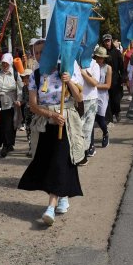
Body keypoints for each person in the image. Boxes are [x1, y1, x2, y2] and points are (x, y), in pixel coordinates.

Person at [18, 58, 84, 227]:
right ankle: (62, 196)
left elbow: (79, 98)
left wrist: (68, 81)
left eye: (44, 52)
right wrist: (52, 115)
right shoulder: (37, 75)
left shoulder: (66, 70)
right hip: (46, 124)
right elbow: (33, 105)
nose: (41, 55)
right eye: (37, 53)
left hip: (66, 123)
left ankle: (50, 206)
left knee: (60, 162)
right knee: (51, 163)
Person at [0, 53, 22, 158]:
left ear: (10, 63)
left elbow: (20, 89)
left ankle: (6, 146)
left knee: (9, 125)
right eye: (3, 63)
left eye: (6, 63)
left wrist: (19, 100)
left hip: (10, 103)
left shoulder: (16, 74)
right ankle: (7, 143)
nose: (4, 65)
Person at [79, 46, 103, 158]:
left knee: (87, 128)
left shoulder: (94, 64)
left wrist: (82, 72)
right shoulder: (74, 62)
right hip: (78, 100)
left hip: (91, 99)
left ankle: (84, 152)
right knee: (78, 127)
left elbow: (94, 83)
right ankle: (77, 152)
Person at [92, 46, 112, 148]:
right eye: (98, 57)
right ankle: (90, 143)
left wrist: (94, 85)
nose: (99, 59)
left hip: (102, 96)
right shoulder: (91, 65)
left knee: (100, 118)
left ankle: (105, 132)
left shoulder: (107, 68)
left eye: (101, 57)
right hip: (91, 94)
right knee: (91, 118)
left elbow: (108, 85)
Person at [102, 35, 125, 123]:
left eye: (108, 41)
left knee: (116, 99)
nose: (107, 43)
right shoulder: (102, 53)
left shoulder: (117, 52)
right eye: (105, 41)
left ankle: (117, 111)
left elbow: (122, 67)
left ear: (111, 41)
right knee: (108, 99)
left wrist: (123, 78)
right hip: (104, 79)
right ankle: (109, 118)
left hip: (115, 79)